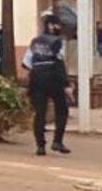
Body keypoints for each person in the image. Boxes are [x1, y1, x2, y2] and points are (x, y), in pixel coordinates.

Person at [23, 14, 72, 156]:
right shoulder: (58, 42)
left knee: (39, 113)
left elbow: (26, 63)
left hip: (37, 81)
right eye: (58, 25)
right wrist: (66, 84)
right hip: (54, 80)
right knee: (62, 109)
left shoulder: (35, 42)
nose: (60, 28)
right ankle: (57, 141)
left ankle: (40, 145)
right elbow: (59, 63)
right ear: (50, 25)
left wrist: (36, 72)